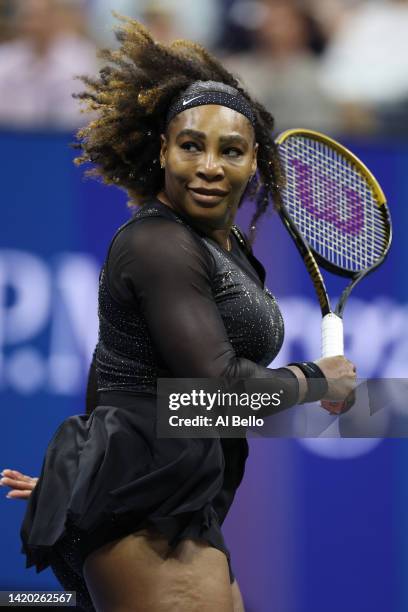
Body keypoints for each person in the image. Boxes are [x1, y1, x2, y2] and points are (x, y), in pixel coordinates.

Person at [15, 15, 356, 612]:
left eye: (231, 151)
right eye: (191, 145)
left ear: (257, 164)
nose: (209, 166)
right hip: (146, 506)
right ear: (163, 151)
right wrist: (315, 381)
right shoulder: (157, 244)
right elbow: (218, 388)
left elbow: (123, 370)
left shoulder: (227, 251)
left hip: (181, 494)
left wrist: (85, 472)